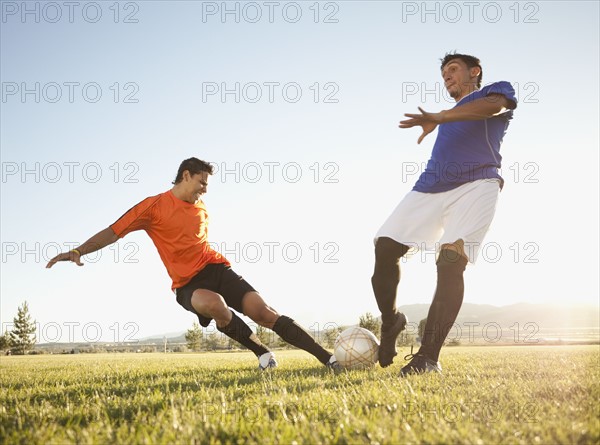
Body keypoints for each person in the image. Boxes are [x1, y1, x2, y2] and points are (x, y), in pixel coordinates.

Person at [47, 157, 340, 371]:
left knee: (263, 312)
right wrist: (79, 250)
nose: (205, 190)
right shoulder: (153, 207)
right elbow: (114, 231)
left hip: (218, 270)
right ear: (185, 175)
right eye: (202, 182)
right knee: (216, 306)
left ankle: (327, 358)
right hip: (188, 284)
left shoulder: (201, 207)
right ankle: (263, 354)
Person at [371, 53, 517, 375]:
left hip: (478, 184)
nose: (447, 76)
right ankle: (391, 321)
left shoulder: (493, 92)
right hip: (429, 188)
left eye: (453, 69)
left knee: (450, 262)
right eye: (443, 73)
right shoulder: (448, 114)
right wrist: (442, 117)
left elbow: (497, 106)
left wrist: (442, 117)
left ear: (474, 72)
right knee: (384, 247)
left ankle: (428, 358)